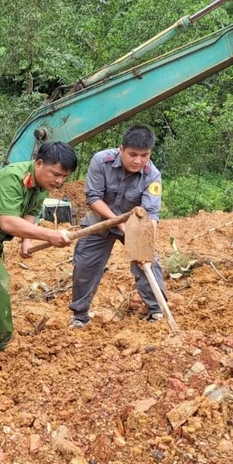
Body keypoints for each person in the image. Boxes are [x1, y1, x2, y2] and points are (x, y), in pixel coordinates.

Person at [0, 142, 77, 351]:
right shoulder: (13, 177)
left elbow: (30, 212)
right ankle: (3, 347)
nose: (59, 181)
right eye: (56, 174)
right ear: (39, 163)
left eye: (64, 177)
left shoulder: (42, 185)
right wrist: (51, 234)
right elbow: (8, 222)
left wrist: (26, 240)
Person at [69, 125, 166, 328]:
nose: (138, 161)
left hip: (135, 224)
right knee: (85, 264)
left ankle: (157, 312)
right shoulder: (101, 161)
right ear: (121, 149)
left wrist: (146, 242)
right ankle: (80, 316)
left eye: (144, 155)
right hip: (100, 218)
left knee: (148, 263)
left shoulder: (152, 175)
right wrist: (119, 223)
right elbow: (93, 198)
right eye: (132, 154)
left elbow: (151, 214)